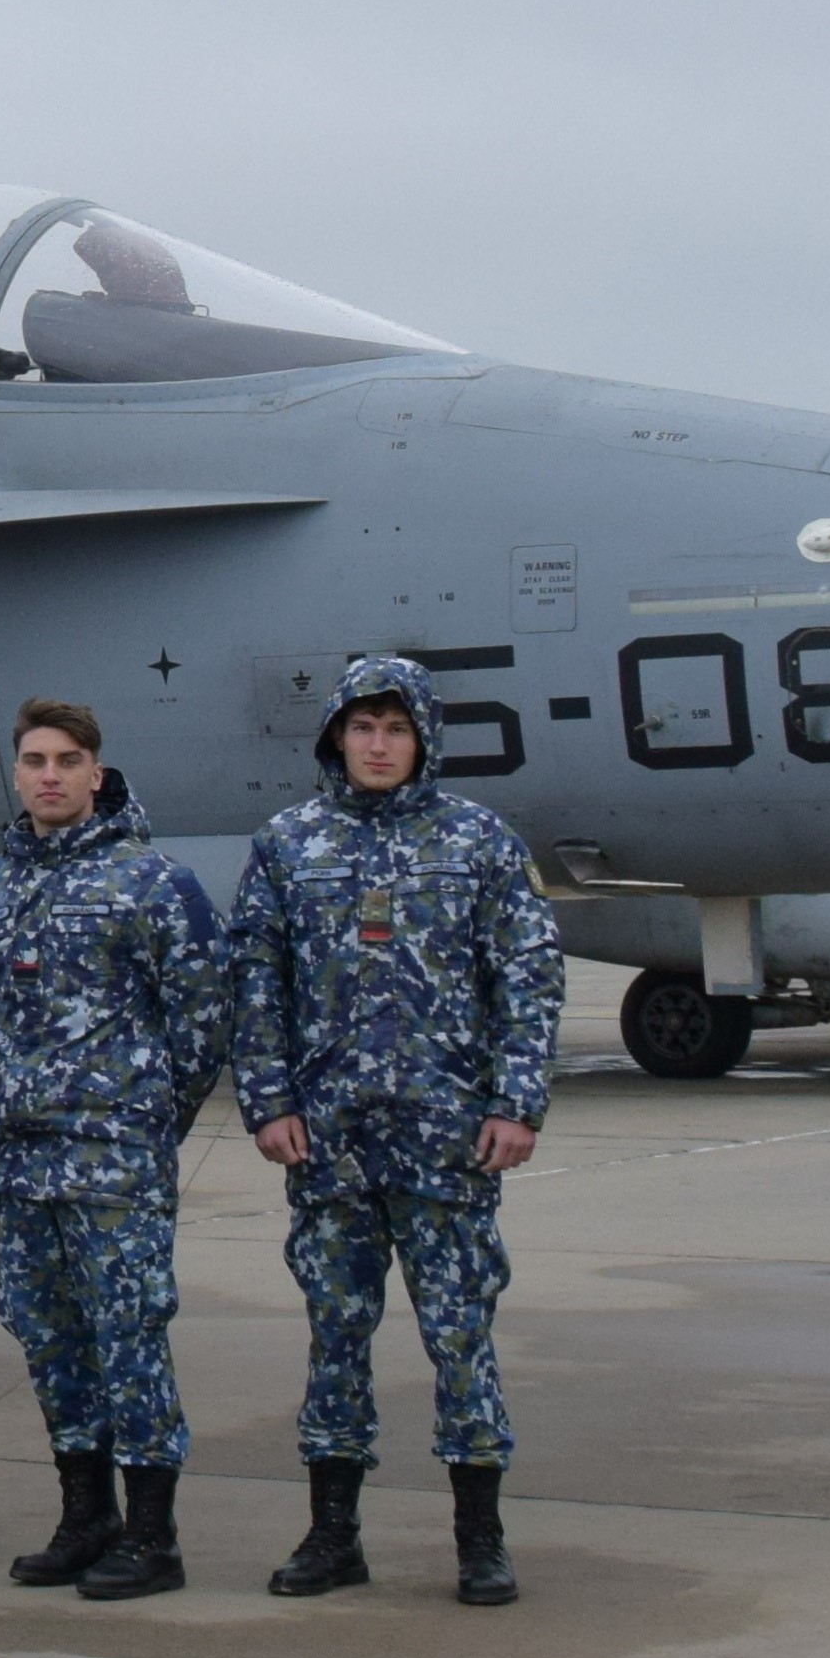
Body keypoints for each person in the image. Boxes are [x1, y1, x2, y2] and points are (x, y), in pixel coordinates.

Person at [225, 655, 565, 1609]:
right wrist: (269, 1101)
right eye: (363, 727)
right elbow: (257, 983)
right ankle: (333, 1535)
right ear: (335, 734)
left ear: (424, 741)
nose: (378, 746)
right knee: (335, 1335)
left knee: (460, 1336)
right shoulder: (290, 843)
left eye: (397, 729)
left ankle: (480, 1538)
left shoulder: (478, 842)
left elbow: (528, 978)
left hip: (448, 1139)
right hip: (330, 1142)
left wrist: (516, 1101)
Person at [0, 700, 226, 1602]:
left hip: (116, 1165)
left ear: (96, 773)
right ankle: (87, 1516)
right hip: (27, 1167)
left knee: (130, 1341)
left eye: (68, 760)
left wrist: (145, 1121)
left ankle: (154, 1536)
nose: (50, 775)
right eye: (34, 759)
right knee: (49, 1342)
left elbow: (202, 1020)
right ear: (17, 773)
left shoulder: (150, 882)